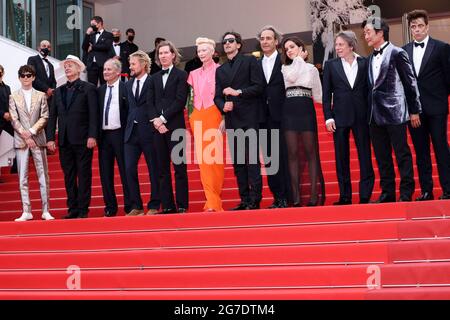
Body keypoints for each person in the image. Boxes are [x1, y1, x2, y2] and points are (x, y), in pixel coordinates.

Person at [362, 18, 421, 203]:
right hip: (374, 115)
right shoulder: (369, 58)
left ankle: (406, 193)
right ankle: (387, 192)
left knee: (402, 154)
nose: (366, 36)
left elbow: (410, 83)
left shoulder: (397, 53)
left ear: (380, 33)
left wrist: (414, 110)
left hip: (395, 112)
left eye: (368, 32)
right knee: (382, 156)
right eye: (364, 33)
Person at [322, 31, 375, 205]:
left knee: (365, 156)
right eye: (336, 45)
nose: (337, 48)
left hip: (361, 117)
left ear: (351, 46)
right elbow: (326, 94)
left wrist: (371, 114)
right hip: (339, 117)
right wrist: (328, 118)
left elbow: (369, 91)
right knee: (341, 158)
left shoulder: (365, 62)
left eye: (340, 45)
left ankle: (365, 195)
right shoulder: (330, 65)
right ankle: (345, 196)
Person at [214, 31, 264, 210]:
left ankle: (255, 199)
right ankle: (244, 200)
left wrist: (239, 92)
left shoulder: (250, 61)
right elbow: (217, 96)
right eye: (224, 41)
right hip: (232, 119)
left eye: (231, 41)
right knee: (238, 163)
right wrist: (222, 106)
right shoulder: (220, 70)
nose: (227, 43)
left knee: (251, 160)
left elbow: (259, 87)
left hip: (249, 116)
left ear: (239, 44)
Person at [403, 9, 450, 201]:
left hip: (437, 108)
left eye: (420, 25)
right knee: (421, 151)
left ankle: (448, 189)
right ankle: (426, 191)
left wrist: (440, 99)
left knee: (441, 148)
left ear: (427, 26)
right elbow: (405, 83)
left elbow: (448, 78)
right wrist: (411, 109)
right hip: (414, 112)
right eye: (413, 26)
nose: (417, 29)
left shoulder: (442, 48)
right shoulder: (403, 51)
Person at [46, 55, 98, 219]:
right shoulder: (58, 91)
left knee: (83, 175)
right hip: (64, 140)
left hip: (83, 139)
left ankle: (83, 209)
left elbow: (94, 114)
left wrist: (92, 135)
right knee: (68, 175)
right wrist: (50, 139)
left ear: (78, 69)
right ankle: (73, 208)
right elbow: (52, 116)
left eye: (70, 65)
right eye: (66, 66)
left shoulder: (89, 88)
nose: (67, 68)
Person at [281, 36, 325, 207]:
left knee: (311, 153)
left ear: (301, 47)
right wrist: (299, 59)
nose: (289, 50)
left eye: (292, 47)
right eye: (286, 49)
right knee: (292, 154)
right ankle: (296, 196)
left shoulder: (312, 69)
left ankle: (314, 196)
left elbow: (318, 95)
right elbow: (292, 78)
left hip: (306, 111)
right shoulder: (285, 68)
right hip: (289, 111)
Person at [8, 65, 54, 222]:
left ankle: (46, 210)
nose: (26, 77)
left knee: (43, 176)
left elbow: (45, 116)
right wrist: (25, 135)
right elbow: (14, 119)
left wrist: (32, 132)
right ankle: (26, 211)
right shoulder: (13, 96)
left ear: (34, 77)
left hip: (38, 140)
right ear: (19, 77)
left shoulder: (41, 95)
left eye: (29, 75)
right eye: (23, 75)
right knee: (22, 178)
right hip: (22, 141)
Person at [148, 41, 189, 214]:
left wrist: (163, 118)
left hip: (175, 126)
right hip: (158, 129)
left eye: (166, 52)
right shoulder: (153, 78)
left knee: (179, 167)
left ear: (173, 55)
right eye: (160, 53)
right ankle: (168, 205)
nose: (163, 55)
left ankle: (181, 204)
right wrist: (156, 121)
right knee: (162, 169)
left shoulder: (181, 75)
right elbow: (149, 102)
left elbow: (180, 101)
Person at [187, 37, 225, 212]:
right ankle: (211, 200)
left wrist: (224, 117)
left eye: (205, 50)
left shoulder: (221, 70)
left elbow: (225, 94)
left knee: (214, 158)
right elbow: (190, 98)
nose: (201, 53)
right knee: (203, 159)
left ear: (212, 52)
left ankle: (213, 200)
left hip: (215, 113)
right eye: (199, 51)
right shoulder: (193, 74)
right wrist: (191, 115)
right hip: (198, 115)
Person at [257, 25, 292, 209]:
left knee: (285, 156)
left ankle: (288, 195)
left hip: (283, 115)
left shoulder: (286, 60)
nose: (264, 41)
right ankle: (278, 197)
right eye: (262, 38)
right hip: (263, 117)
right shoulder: (255, 64)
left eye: (268, 38)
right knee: (270, 159)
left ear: (276, 41)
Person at [124, 51, 161, 216]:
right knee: (129, 168)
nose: (130, 67)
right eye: (130, 64)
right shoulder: (127, 84)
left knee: (153, 168)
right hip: (131, 132)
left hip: (149, 130)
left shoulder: (153, 81)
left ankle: (154, 204)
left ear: (143, 64)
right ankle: (136, 206)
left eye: (133, 64)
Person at [98, 58, 131, 217]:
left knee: (125, 171)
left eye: (109, 69)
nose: (105, 72)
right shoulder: (100, 90)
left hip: (121, 134)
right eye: (104, 69)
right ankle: (110, 207)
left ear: (118, 72)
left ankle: (130, 206)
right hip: (104, 136)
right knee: (105, 174)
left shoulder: (126, 88)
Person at [82, 16, 114, 86]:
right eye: (91, 25)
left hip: (103, 64)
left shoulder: (108, 35)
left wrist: (92, 47)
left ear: (99, 23)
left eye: (93, 24)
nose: (91, 26)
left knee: (104, 85)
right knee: (91, 86)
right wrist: (87, 34)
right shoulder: (91, 35)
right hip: (91, 65)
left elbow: (106, 46)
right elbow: (84, 47)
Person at [0, 65, 17, 175]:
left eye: (0, 71)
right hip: (1, 118)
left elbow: (11, 103)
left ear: (3, 73)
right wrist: (3, 114)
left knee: (19, 137)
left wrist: (11, 113)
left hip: (7, 120)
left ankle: (16, 166)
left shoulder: (7, 88)